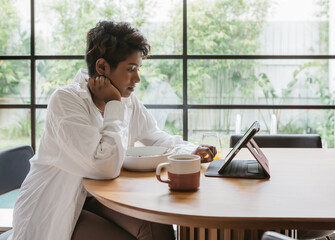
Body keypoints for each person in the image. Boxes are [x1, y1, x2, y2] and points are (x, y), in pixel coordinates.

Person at [8, 20, 216, 240]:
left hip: (99, 197)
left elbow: (154, 137)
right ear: (102, 68)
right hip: (56, 203)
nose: (137, 79)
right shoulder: (66, 101)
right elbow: (104, 167)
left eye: (138, 69)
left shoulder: (127, 100)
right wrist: (114, 105)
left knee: (158, 228)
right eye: (131, 69)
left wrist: (191, 150)